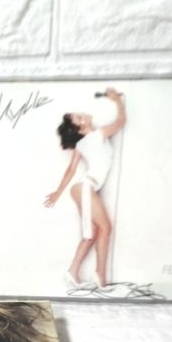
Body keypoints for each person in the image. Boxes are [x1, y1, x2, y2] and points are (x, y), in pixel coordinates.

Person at [44, 88, 126, 289]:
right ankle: (100, 276)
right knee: (105, 228)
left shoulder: (82, 144)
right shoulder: (97, 135)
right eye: (79, 117)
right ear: (81, 126)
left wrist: (59, 191)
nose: (83, 114)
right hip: (86, 186)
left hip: (84, 188)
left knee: (94, 232)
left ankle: (73, 272)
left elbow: (71, 170)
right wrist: (117, 100)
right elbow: (121, 121)